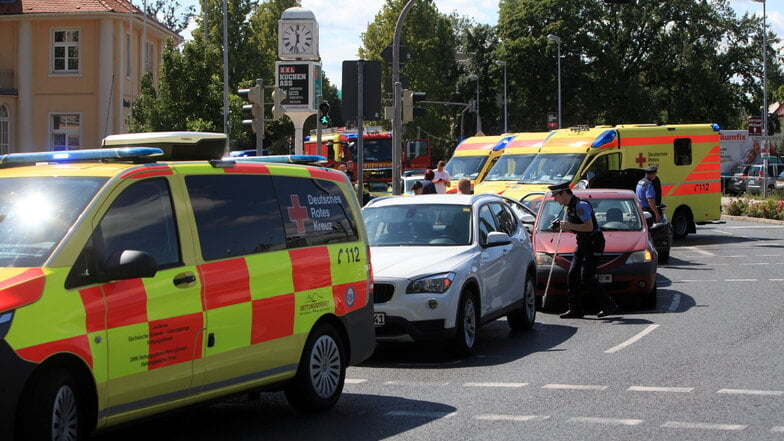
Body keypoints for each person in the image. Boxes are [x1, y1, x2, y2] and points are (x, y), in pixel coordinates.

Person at [548, 182, 619, 319]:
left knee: (587, 277)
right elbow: (576, 228)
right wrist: (561, 227)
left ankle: (609, 305)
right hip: (583, 243)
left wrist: (569, 225)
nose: (555, 199)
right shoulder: (569, 207)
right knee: (572, 274)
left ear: (564, 193)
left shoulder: (581, 206)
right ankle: (575, 309)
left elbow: (589, 227)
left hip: (594, 243)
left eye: (556, 196)